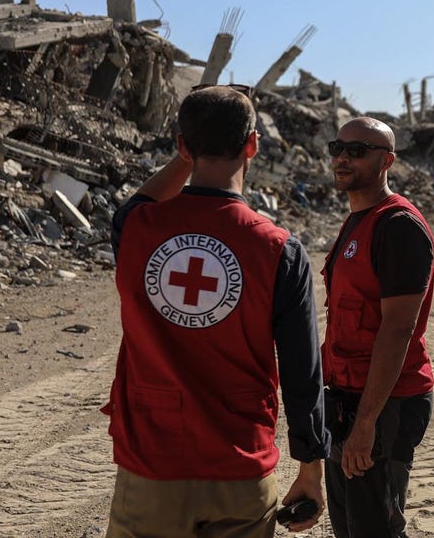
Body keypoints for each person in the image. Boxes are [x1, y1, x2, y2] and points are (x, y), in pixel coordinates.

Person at [103, 85, 329, 538]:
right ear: (253, 145)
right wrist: (311, 471)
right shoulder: (279, 250)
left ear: (183, 146)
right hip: (240, 467)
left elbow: (139, 201)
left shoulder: (137, 229)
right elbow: (303, 373)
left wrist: (189, 152)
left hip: (152, 463)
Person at [322, 117, 434, 538]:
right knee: (350, 529)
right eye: (337, 147)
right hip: (349, 398)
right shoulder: (357, 219)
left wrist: (366, 424)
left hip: (386, 405)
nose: (342, 158)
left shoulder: (398, 226)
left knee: (377, 530)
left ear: (386, 160)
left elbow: (397, 331)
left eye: (357, 150)